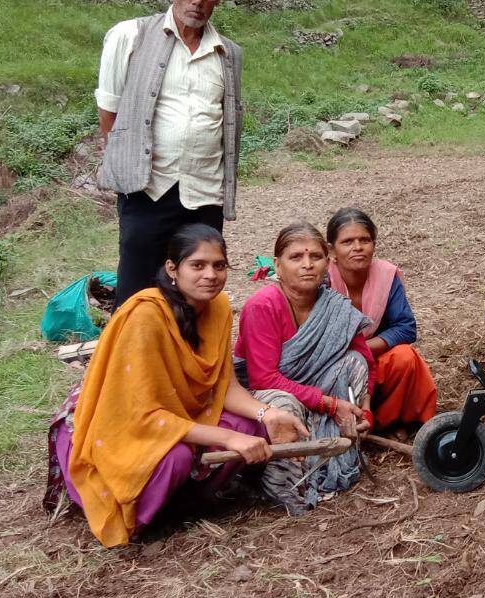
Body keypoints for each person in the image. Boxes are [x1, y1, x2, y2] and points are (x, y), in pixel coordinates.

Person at [44, 224, 309, 547]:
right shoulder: (146, 315)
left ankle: (184, 501)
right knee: (177, 457)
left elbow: (223, 388)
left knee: (250, 426)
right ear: (173, 269)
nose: (210, 275)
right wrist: (229, 437)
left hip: (178, 415)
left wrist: (268, 414)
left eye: (219, 265)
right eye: (198, 265)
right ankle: (147, 517)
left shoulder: (219, 307)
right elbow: (143, 416)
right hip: (118, 423)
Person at [94, 0, 246, 306]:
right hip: (147, 189)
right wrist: (126, 162)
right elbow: (109, 108)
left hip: (205, 191)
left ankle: (189, 360)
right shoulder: (130, 35)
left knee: (196, 290)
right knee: (138, 291)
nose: (197, 0)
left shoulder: (229, 53)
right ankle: (135, 360)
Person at [234, 223, 375, 513]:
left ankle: (343, 440)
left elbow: (365, 358)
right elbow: (263, 379)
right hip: (266, 394)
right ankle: (283, 485)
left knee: (355, 362)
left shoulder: (334, 305)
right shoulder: (263, 305)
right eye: (296, 257)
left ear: (327, 261)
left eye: (316, 256)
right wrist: (329, 403)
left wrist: (367, 411)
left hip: (318, 392)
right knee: (284, 406)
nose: (307, 265)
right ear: (277, 265)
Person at [324, 208, 438, 433]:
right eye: (347, 241)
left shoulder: (386, 275)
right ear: (331, 250)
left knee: (405, 358)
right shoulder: (322, 279)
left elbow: (406, 328)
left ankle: (387, 421)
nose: (357, 247)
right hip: (330, 361)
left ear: (373, 245)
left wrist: (361, 350)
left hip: (370, 357)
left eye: (364, 240)